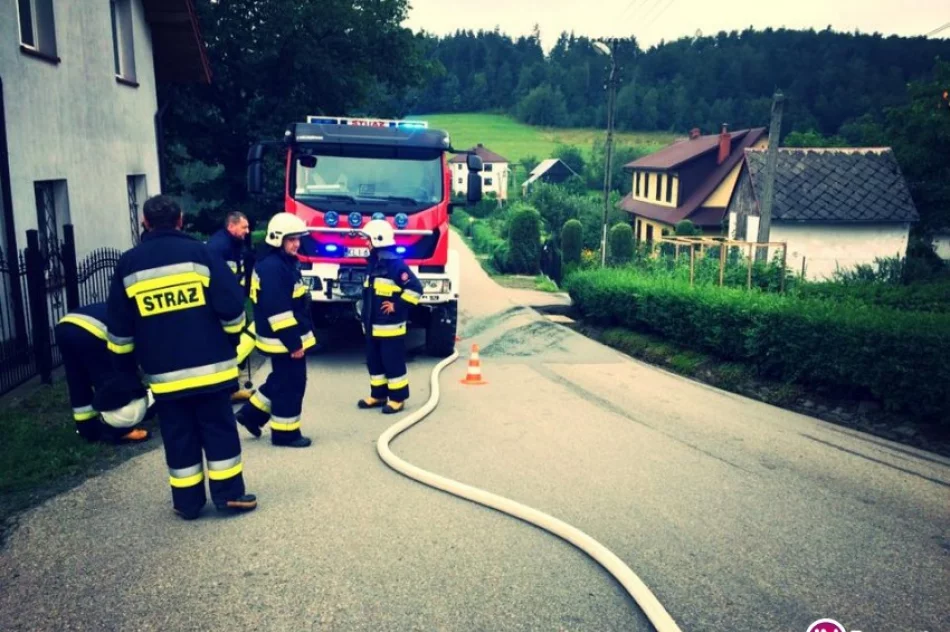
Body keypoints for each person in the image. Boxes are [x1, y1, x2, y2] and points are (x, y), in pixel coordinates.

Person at [106, 194, 257, 520]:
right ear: (180, 220)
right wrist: (230, 340)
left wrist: (127, 373)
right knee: (218, 430)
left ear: (145, 223)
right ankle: (230, 495)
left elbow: (119, 330)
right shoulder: (202, 254)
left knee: (178, 436)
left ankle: (187, 502)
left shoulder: (128, 265)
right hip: (211, 370)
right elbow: (233, 308)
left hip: (164, 376)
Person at [235, 212, 315, 448]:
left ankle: (251, 414)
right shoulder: (273, 267)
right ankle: (285, 433)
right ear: (278, 239)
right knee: (291, 385)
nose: (296, 244)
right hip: (283, 339)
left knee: (281, 380)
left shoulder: (279, 262)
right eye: (291, 239)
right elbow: (279, 312)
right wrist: (294, 344)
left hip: (282, 337)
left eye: (298, 239)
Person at [54, 303, 151, 443]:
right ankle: (121, 431)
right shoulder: (150, 327)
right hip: (94, 332)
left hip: (65, 326)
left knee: (77, 379)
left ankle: (86, 428)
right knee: (112, 383)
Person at [356, 219, 423, 414]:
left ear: (377, 240)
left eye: (368, 239)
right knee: (374, 362)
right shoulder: (374, 263)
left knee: (392, 363)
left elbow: (415, 289)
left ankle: (397, 398)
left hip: (390, 327)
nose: (365, 243)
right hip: (372, 325)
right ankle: (378, 395)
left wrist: (397, 305)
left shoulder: (395, 265)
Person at [206, 211, 256, 401]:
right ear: (231, 226)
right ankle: (225, 390)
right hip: (224, 306)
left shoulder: (235, 244)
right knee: (229, 346)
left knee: (238, 343)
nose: (247, 231)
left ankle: (232, 388)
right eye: (244, 227)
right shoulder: (218, 246)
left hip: (235, 302)